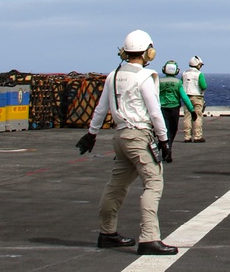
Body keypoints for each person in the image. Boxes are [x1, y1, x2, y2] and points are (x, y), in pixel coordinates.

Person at [75, 30, 177, 256]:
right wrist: (164, 140)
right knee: (153, 182)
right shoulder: (144, 77)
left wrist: (91, 134)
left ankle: (107, 233)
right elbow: (155, 112)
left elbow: (101, 109)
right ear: (148, 52)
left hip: (120, 138)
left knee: (116, 185)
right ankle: (149, 237)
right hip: (139, 136)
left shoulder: (113, 76)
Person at [159, 60, 196, 152]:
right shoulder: (178, 82)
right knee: (173, 129)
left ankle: (164, 146)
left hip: (162, 108)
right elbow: (184, 97)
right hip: (174, 108)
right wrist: (191, 110)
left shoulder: (159, 81)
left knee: (164, 129)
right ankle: (169, 147)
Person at [182, 55, 207, 142]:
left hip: (186, 97)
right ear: (198, 64)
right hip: (197, 97)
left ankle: (187, 136)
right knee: (197, 116)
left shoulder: (184, 73)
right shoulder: (199, 74)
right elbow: (204, 86)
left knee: (187, 117)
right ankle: (197, 136)